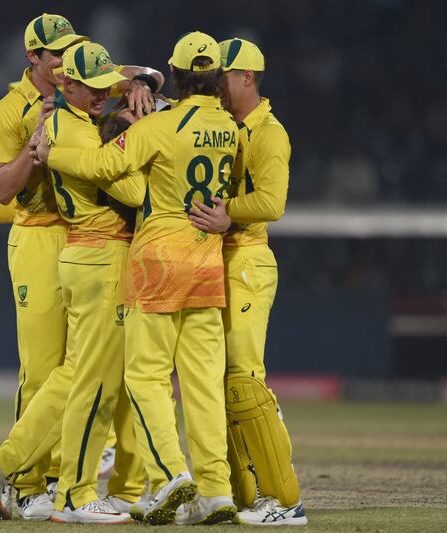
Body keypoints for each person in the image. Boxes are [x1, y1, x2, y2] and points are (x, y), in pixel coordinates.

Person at [35, 31, 240, 526]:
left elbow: (106, 164)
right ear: (217, 78)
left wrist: (51, 154)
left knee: (145, 376)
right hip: (208, 261)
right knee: (204, 385)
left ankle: (171, 475)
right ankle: (216, 491)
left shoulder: (162, 126)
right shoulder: (230, 128)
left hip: (157, 259)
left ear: (175, 74)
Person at [0, 13, 163, 519]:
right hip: (40, 234)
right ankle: (27, 482)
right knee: (43, 368)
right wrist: (37, 149)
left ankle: (63, 475)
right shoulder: (10, 110)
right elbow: (0, 189)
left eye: (71, 49)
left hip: (86, 235)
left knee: (85, 366)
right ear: (33, 59)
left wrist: (143, 85)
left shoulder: (88, 87)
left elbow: (152, 74)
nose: (64, 59)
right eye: (55, 52)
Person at [187, 37, 307, 526]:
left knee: (243, 381)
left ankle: (285, 500)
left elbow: (272, 203)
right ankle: (249, 495)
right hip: (223, 258)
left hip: (247, 260)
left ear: (248, 78)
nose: (214, 84)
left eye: (223, 76)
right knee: (222, 382)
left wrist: (227, 214)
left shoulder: (268, 133)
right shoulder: (224, 125)